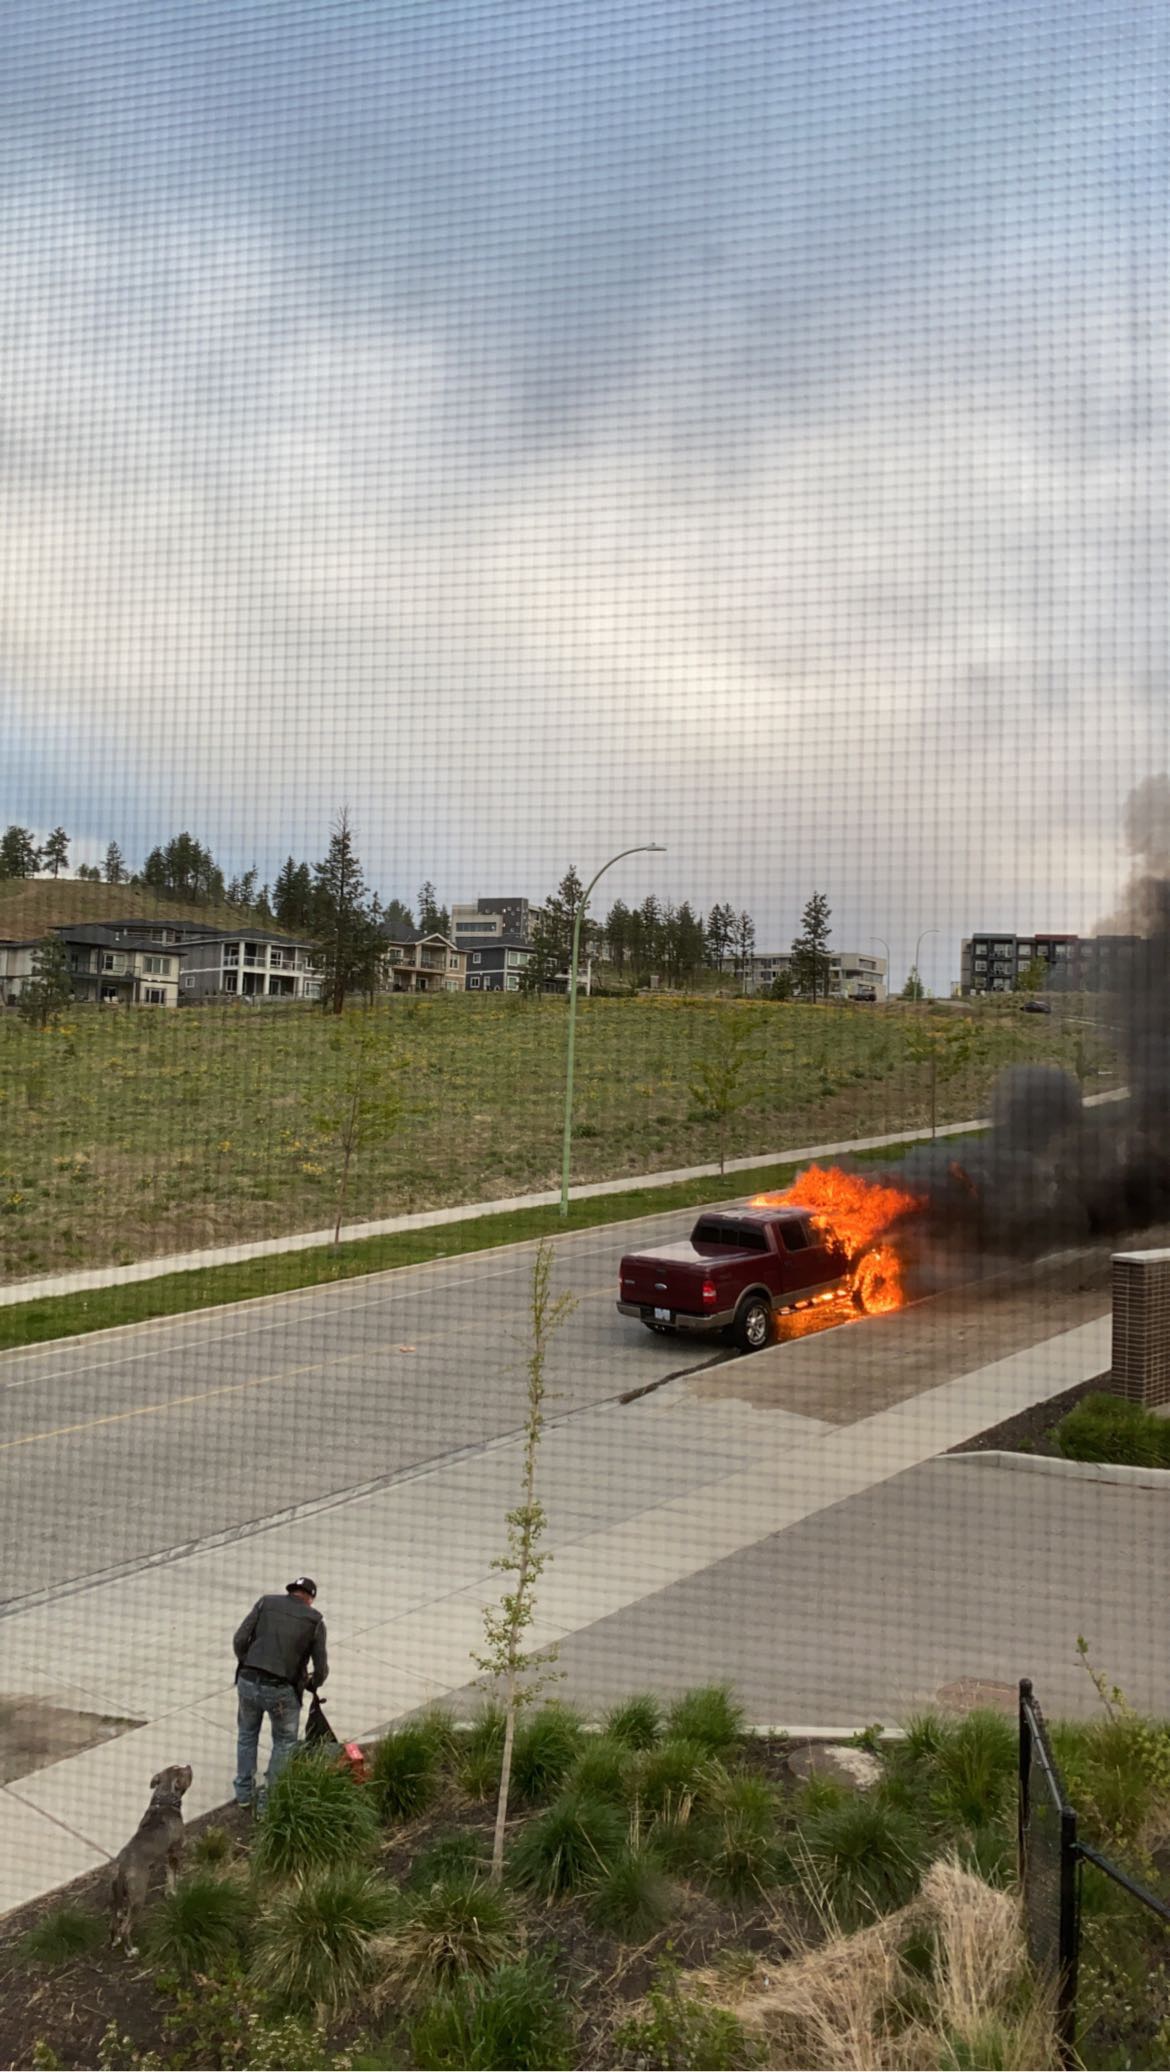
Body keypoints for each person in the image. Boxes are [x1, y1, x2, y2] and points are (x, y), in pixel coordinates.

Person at [233, 1575, 328, 1808]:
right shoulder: (315, 1621)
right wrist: (313, 1683)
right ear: (310, 1599)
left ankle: (244, 1794)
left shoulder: (265, 1603)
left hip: (247, 1680)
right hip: (282, 1690)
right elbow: (321, 1667)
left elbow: (239, 1639)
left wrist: (248, 1661)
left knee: (247, 1735)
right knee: (284, 1743)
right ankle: (270, 1801)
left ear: (291, 1592)